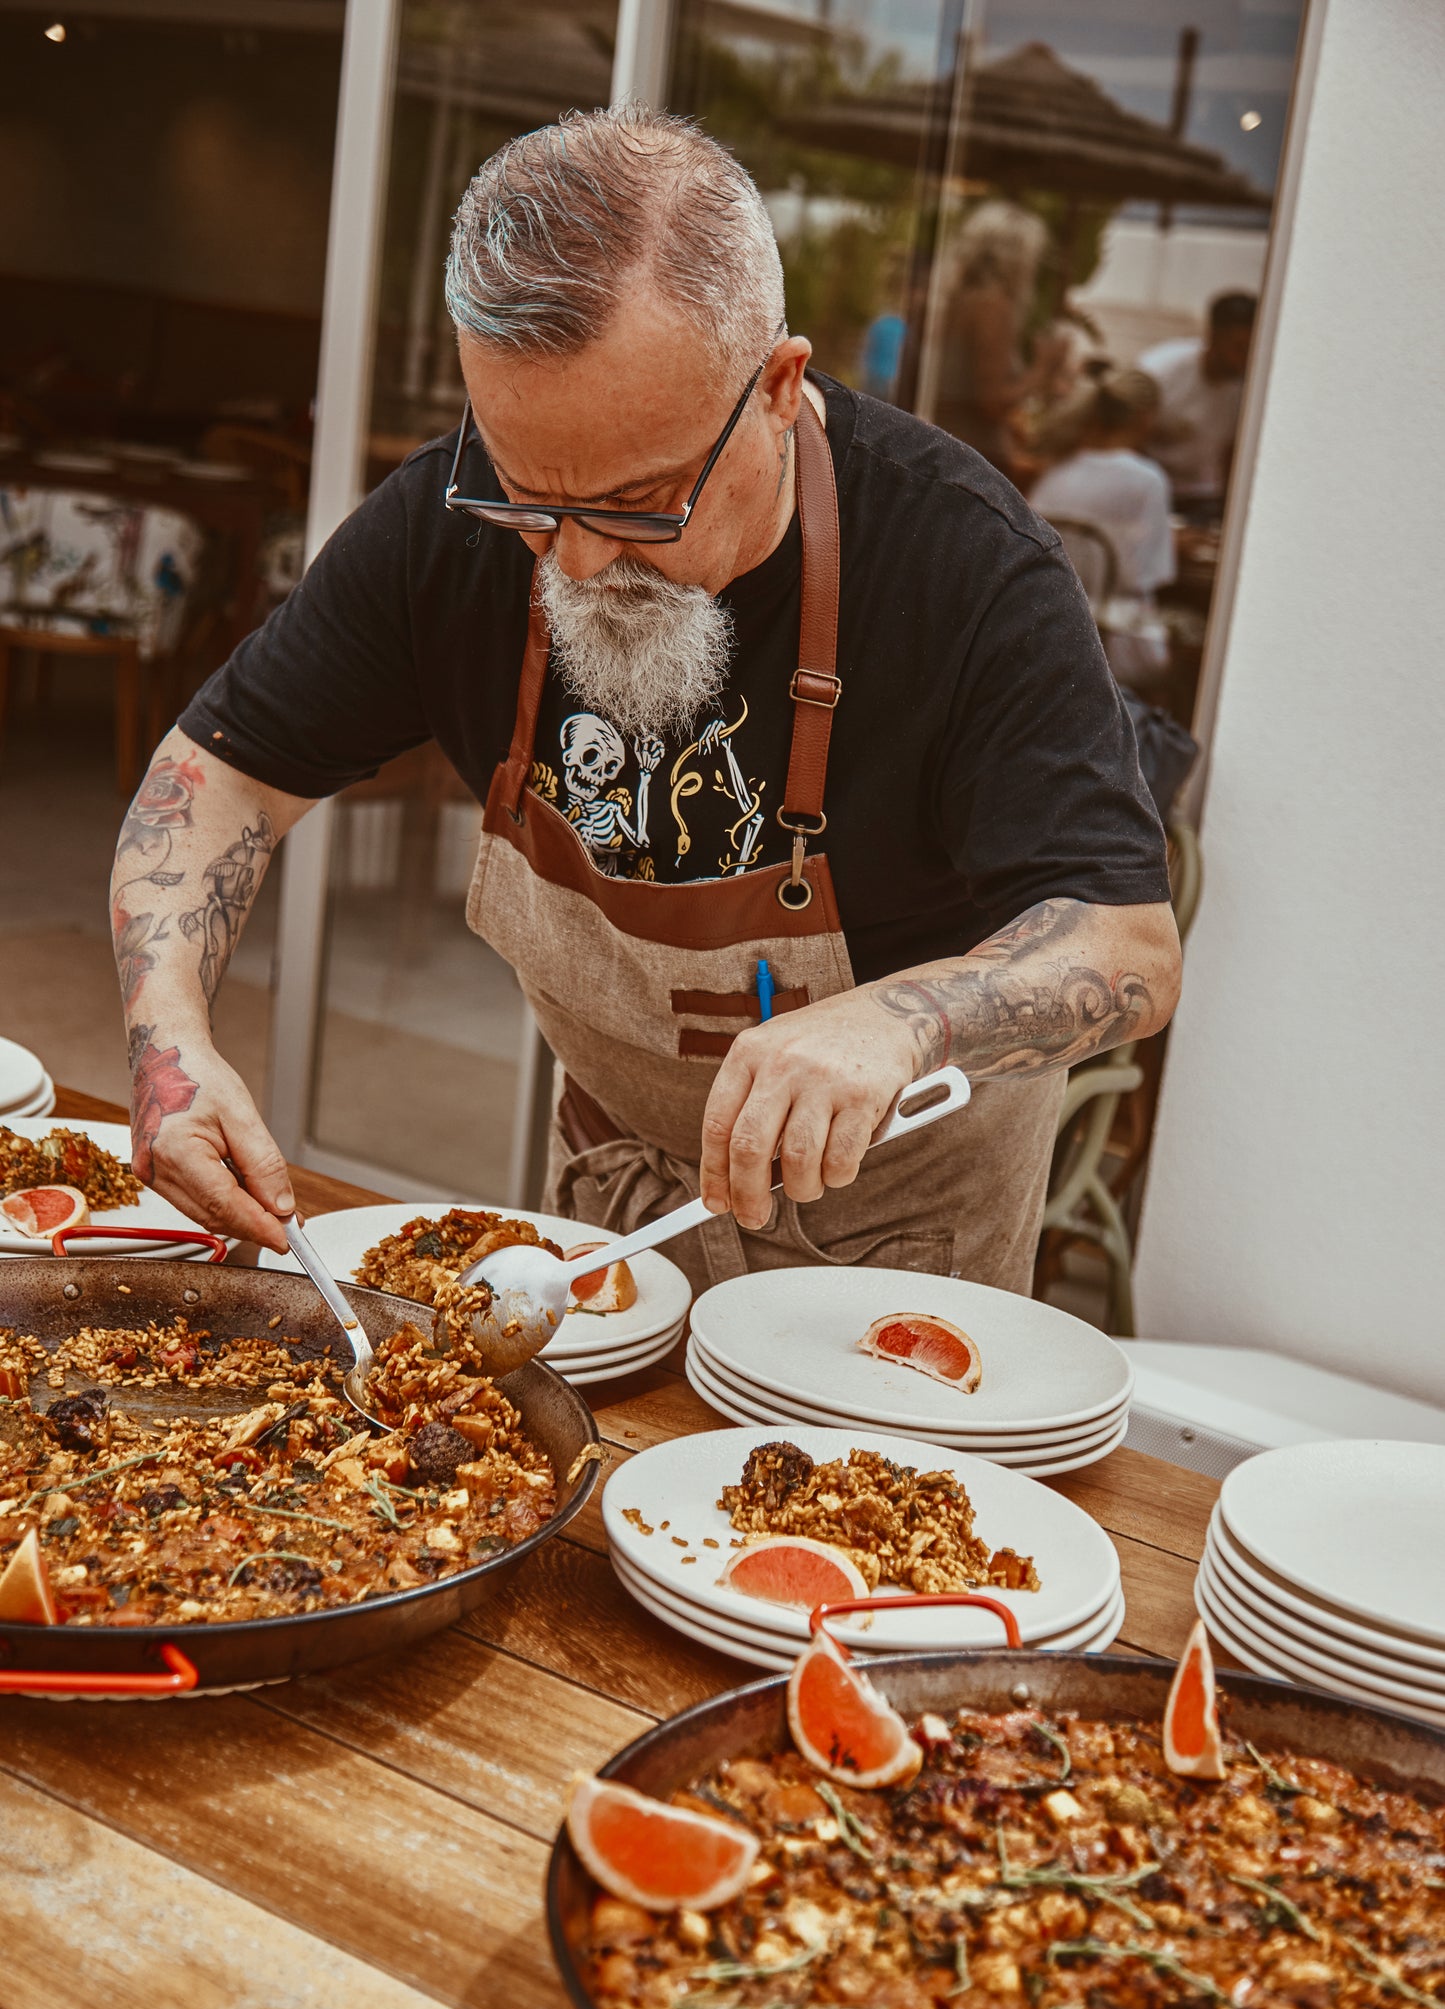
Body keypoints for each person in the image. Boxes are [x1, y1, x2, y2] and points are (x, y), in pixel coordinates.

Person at [110, 105, 1180, 1298]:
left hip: (900, 1237)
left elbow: (1123, 945)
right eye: (530, 499)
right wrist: (170, 1044)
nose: (570, 561)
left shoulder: (964, 568)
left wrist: (902, 1022)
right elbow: (217, 777)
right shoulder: (449, 519)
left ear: (777, 387)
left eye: (636, 506)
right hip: (613, 1204)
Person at [1030, 368, 1175, 687]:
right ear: (1145, 418)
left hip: (1050, 627)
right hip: (1113, 641)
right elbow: (1150, 574)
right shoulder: (1148, 480)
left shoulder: (1058, 470)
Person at [932, 199, 1071, 477]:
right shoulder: (993, 306)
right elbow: (991, 402)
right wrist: (1042, 370)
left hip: (948, 443)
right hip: (976, 456)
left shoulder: (958, 299)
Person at [1139, 291, 1257, 508]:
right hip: (1149, 491)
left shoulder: (1250, 388)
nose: (1245, 359)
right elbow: (1126, 440)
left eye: (1252, 350)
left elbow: (1232, 456)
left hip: (1203, 497)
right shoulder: (1161, 369)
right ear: (1213, 336)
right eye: (1239, 348)